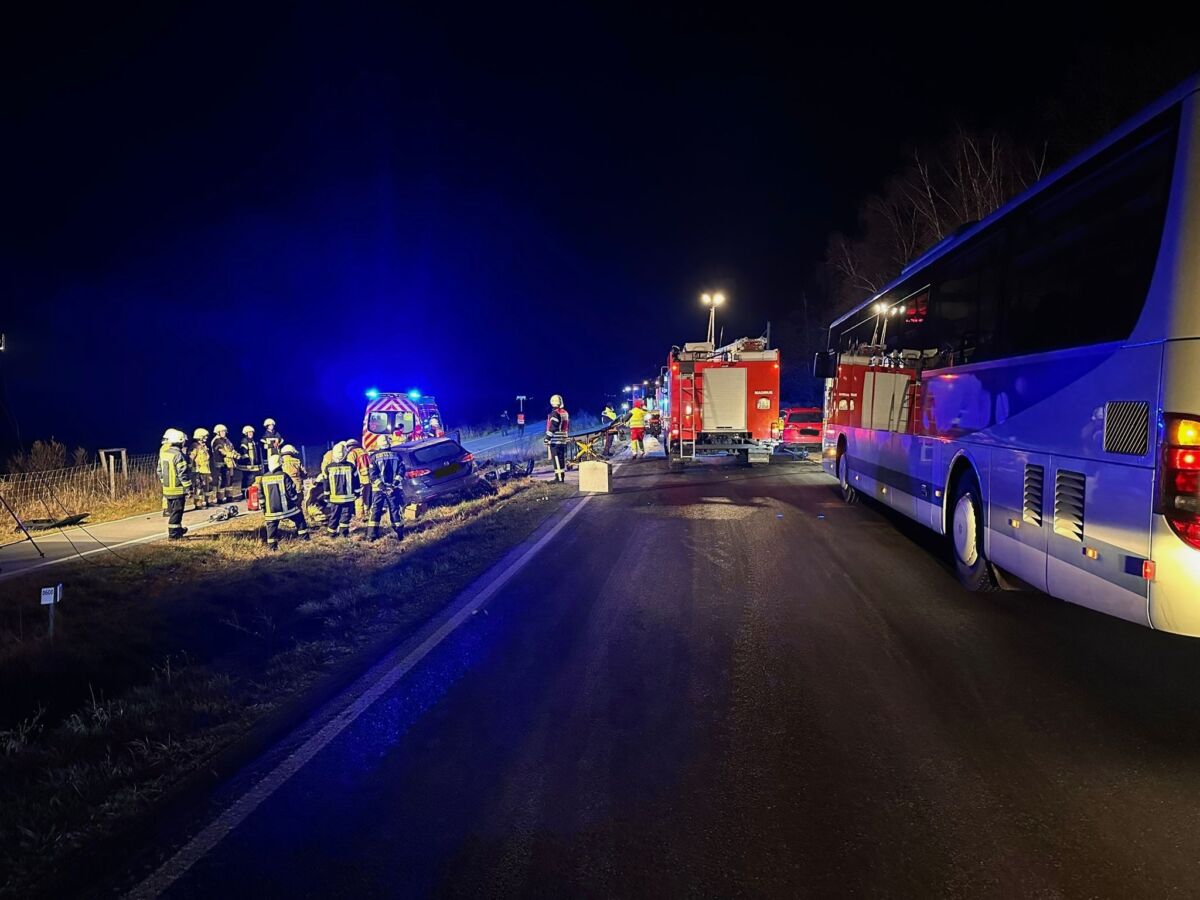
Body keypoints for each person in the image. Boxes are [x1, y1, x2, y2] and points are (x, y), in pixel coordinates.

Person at [255, 454, 310, 550]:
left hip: (271, 511)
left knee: (271, 529)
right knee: (300, 519)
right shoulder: (284, 476)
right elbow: (291, 491)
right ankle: (305, 540)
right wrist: (295, 501)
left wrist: (264, 509)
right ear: (280, 464)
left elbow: (261, 496)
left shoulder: (263, 478)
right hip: (287, 509)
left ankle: (272, 548)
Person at [366, 433, 406, 541]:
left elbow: (373, 474)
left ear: (379, 444)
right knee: (395, 509)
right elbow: (401, 471)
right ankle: (399, 534)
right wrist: (394, 485)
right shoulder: (397, 455)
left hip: (378, 489)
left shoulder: (373, 457)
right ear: (389, 443)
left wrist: (382, 487)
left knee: (376, 510)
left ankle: (371, 536)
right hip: (393, 489)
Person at [320, 441, 360, 537]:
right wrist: (357, 493)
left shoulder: (328, 468)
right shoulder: (351, 467)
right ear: (345, 453)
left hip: (334, 499)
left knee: (334, 515)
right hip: (348, 498)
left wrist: (326, 495)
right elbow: (356, 482)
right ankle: (343, 534)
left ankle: (331, 533)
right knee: (345, 516)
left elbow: (326, 483)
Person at [158, 428, 192, 540]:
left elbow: (159, 471)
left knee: (173, 511)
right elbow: (183, 474)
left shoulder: (164, 454)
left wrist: (165, 482)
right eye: (183, 442)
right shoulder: (178, 455)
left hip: (167, 489)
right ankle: (173, 535)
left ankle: (178, 530)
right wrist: (188, 488)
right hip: (177, 489)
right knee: (177, 513)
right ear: (180, 441)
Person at [545, 394, 570, 483]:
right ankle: (561, 477)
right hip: (563, 438)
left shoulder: (555, 413)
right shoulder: (565, 412)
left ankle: (559, 479)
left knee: (556, 459)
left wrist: (547, 438)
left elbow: (553, 427)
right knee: (561, 458)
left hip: (555, 439)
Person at [188, 428, 216, 509]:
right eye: (204, 436)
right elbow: (191, 458)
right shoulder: (195, 446)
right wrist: (193, 470)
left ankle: (208, 501)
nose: (206, 438)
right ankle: (198, 504)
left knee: (208, 487)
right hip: (198, 471)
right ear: (200, 436)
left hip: (206, 470)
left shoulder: (204, 446)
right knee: (198, 488)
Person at [210, 424, 239, 503]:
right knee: (221, 481)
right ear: (218, 432)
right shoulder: (216, 441)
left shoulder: (226, 440)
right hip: (220, 464)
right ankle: (220, 498)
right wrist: (232, 455)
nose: (224, 433)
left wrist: (236, 453)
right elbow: (222, 451)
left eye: (224, 431)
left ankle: (229, 496)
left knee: (229, 480)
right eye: (222, 431)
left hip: (228, 464)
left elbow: (231, 448)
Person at [344, 438, 371, 519]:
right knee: (366, 496)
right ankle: (367, 512)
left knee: (359, 497)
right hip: (368, 477)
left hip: (360, 478)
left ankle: (360, 515)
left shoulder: (352, 453)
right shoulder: (364, 451)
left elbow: (351, 467)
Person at [239, 425, 263, 498]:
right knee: (247, 479)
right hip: (248, 465)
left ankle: (251, 493)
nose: (251, 434)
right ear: (246, 433)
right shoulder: (244, 441)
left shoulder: (253, 441)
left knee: (253, 479)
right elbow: (243, 453)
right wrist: (248, 462)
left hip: (254, 464)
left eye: (252, 432)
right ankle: (245, 494)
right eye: (249, 432)